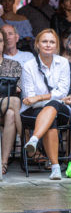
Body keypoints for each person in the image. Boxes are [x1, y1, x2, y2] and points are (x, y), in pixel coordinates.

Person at [21, 29, 71, 180]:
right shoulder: (29, 66)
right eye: (44, 41)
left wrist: (40, 97)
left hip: (60, 110)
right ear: (37, 44)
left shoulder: (63, 62)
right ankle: (55, 168)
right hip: (32, 111)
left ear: (56, 46)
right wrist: (47, 98)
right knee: (52, 117)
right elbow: (29, 98)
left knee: (53, 106)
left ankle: (34, 139)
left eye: (52, 42)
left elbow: (63, 91)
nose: (48, 45)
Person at [0, 29, 22, 175]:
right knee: (13, 101)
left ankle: (3, 162)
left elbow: (18, 88)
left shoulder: (13, 64)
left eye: (0, 41)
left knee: (11, 114)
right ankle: (28, 141)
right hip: (8, 99)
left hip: (6, 104)